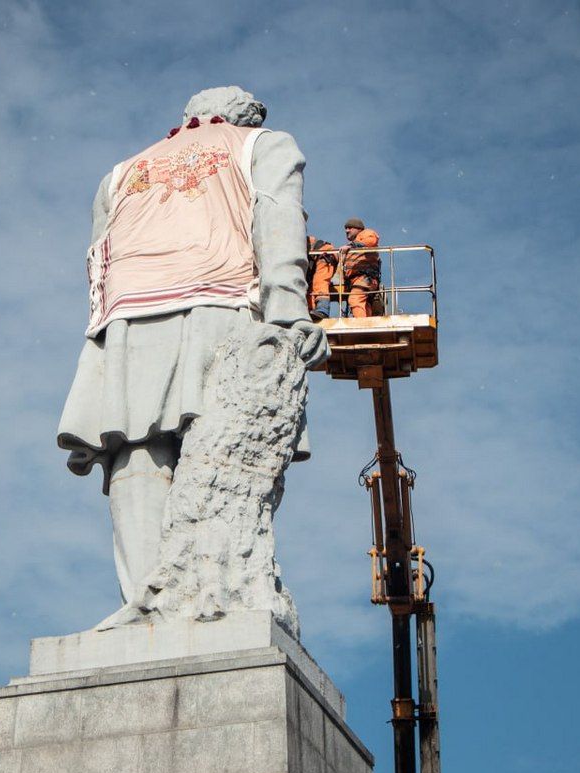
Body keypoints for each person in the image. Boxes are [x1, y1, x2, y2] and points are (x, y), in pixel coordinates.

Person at [57, 87, 329, 603]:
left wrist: (100, 347)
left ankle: (146, 598)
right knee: (231, 449)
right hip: (222, 300)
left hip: (128, 315)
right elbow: (276, 220)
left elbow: (98, 261)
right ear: (246, 117)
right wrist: (289, 313)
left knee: (135, 450)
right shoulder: (261, 144)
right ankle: (218, 588)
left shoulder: (120, 172)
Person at [339, 218, 382, 318]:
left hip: (365, 278)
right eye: (346, 228)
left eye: (350, 228)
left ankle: (360, 324)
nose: (347, 231)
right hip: (355, 281)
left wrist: (352, 245)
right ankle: (367, 323)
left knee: (355, 299)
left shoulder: (365, 234)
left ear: (359, 229)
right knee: (365, 306)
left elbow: (371, 240)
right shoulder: (350, 248)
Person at [306, 233, 337, 319]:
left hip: (324, 254)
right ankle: (313, 311)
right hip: (318, 256)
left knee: (320, 282)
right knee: (309, 287)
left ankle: (323, 310)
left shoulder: (294, 245)